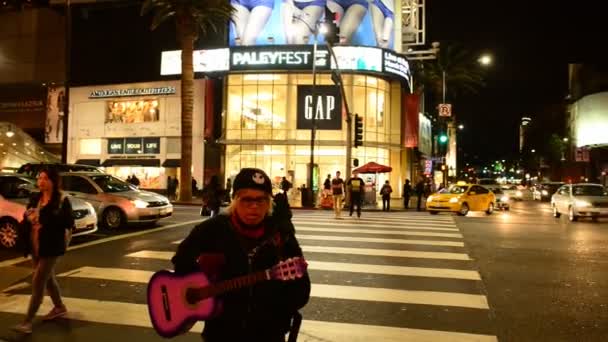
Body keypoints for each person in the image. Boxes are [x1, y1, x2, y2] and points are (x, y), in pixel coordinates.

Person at [171, 168, 311, 341]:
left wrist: (275, 309)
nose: (254, 207)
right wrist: (202, 286)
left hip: (269, 334)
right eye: (246, 200)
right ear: (234, 200)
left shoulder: (280, 234)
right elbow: (181, 259)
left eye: (261, 200)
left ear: (269, 203)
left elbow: (302, 289)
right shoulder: (213, 229)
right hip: (221, 333)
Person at [13, 168, 75, 334]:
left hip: (52, 246)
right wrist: (29, 216)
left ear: (53, 181)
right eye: (39, 178)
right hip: (35, 244)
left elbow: (68, 222)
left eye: (45, 178)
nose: (41, 181)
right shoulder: (35, 198)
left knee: (38, 282)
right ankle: (59, 306)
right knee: (48, 279)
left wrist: (43, 218)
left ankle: (27, 322)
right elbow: (27, 216)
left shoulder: (62, 199)